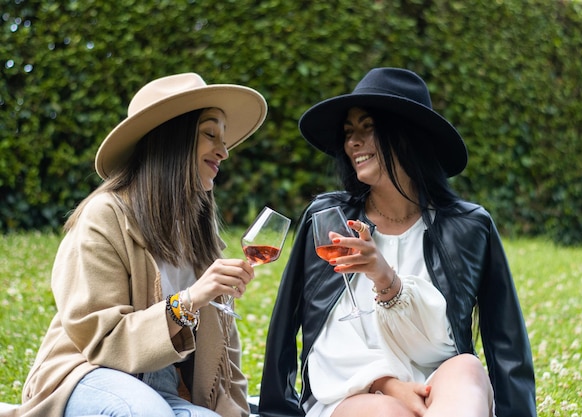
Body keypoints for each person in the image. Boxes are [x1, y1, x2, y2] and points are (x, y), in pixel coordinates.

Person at [258, 68, 536, 417]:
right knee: (390, 413)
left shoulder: (468, 227)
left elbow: (506, 344)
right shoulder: (330, 220)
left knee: (466, 367)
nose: (352, 142)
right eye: (348, 132)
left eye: (367, 127)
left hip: (440, 387)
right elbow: (312, 334)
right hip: (352, 392)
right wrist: (390, 386)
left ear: (407, 136)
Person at [6, 73, 267, 417]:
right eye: (209, 134)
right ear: (172, 139)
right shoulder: (105, 217)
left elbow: (224, 360)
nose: (224, 151)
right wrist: (189, 300)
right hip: (87, 373)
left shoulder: (201, 240)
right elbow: (101, 341)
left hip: (165, 386)